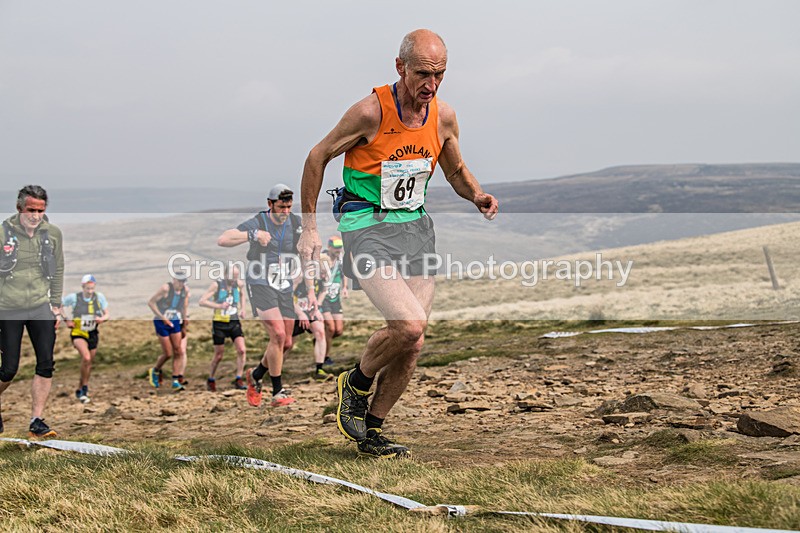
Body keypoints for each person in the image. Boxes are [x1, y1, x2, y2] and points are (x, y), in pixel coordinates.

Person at [297, 30, 499, 458]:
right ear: (400, 67)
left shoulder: (443, 117)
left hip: (415, 227)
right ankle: (354, 383)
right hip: (365, 224)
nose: (431, 84)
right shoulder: (370, 112)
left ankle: (371, 431)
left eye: (440, 74)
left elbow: (456, 169)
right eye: (423, 73)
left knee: (413, 339)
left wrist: (477, 194)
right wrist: (310, 227)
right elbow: (317, 156)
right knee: (408, 324)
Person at [217, 184, 302, 408]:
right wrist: (252, 235)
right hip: (260, 282)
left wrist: (308, 289)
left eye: (289, 207)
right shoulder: (259, 222)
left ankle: (256, 374)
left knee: (287, 343)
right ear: (270, 204)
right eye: (281, 207)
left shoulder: (294, 222)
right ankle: (277, 391)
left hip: (283, 283)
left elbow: (304, 251)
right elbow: (223, 239)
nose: (285, 212)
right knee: (277, 335)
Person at [0, 185, 64, 438]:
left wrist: (56, 304)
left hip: (40, 306)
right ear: (19, 208)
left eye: (40, 210)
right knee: (8, 369)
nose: (35, 215)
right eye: (31, 210)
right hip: (7, 308)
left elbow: (58, 269)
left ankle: (37, 421)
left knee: (46, 364)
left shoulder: (53, 234)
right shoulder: (3, 233)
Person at [198, 265, 247, 391]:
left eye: (236, 276)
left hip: (234, 321)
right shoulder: (217, 285)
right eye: (232, 277)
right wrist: (219, 306)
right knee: (219, 355)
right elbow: (202, 301)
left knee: (241, 350)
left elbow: (242, 295)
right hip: (219, 323)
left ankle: (238, 379)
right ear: (225, 275)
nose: (234, 280)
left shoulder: (239, 284)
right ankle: (211, 379)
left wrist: (243, 309)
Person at [62, 274, 110, 403]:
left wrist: (102, 319)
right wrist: (67, 320)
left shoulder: (99, 298)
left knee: (88, 364)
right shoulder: (74, 298)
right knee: (86, 357)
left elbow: (107, 314)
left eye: (92, 288)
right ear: (83, 287)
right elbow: (59, 306)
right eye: (87, 288)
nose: (90, 291)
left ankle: (81, 388)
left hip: (93, 333)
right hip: (78, 332)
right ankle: (84, 388)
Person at [147, 273, 190, 392]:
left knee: (178, 350)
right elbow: (151, 302)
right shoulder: (166, 289)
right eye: (179, 281)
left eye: (183, 281)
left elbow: (184, 306)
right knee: (168, 353)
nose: (181, 284)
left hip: (175, 320)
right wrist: (162, 317)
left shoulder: (184, 291)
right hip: (162, 321)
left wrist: (184, 321)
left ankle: (175, 380)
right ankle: (155, 370)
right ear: (174, 280)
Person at [288, 276, 329, 382]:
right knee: (287, 344)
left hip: (310, 309)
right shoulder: (299, 276)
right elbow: (288, 295)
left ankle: (319, 370)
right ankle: (271, 370)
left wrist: (317, 308)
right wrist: (300, 313)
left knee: (320, 332)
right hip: (294, 310)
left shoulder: (323, 275)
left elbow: (324, 291)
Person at [320, 235, 348, 365]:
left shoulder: (341, 260)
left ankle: (322, 340)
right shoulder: (322, 259)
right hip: (323, 298)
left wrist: (345, 288)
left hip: (335, 298)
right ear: (329, 247)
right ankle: (325, 357)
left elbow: (344, 275)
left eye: (340, 247)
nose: (338, 250)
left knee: (338, 330)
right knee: (331, 328)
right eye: (336, 247)